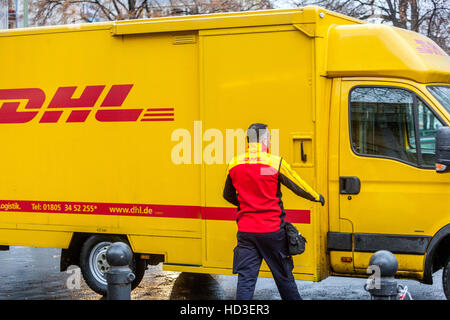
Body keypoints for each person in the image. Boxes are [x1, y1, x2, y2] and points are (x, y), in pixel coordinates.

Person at [223, 123, 325, 300]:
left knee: (246, 280)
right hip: (272, 231)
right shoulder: (274, 163)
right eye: (269, 137)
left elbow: (227, 194)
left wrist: (246, 205)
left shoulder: (235, 163)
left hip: (246, 232)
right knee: (284, 277)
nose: (270, 140)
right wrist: (316, 197)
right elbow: (297, 185)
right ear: (263, 139)